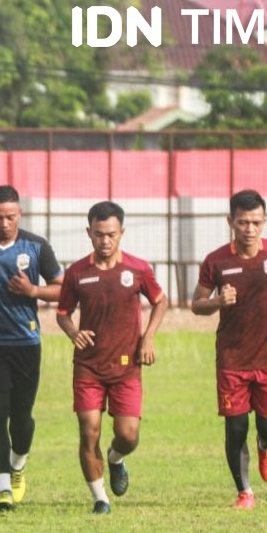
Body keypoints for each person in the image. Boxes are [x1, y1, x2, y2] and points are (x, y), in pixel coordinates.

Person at [191, 189, 267, 510]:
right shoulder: (216, 261)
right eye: (243, 222)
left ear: (265, 221)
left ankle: (265, 445)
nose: (250, 229)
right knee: (235, 426)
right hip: (231, 358)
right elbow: (197, 304)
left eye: (256, 222)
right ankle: (244, 492)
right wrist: (217, 301)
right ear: (230, 222)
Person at [56, 201, 167, 515]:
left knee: (128, 435)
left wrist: (148, 337)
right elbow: (63, 314)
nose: (105, 241)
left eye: (111, 235)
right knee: (88, 428)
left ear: (122, 233)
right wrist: (73, 332)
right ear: (89, 232)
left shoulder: (138, 269)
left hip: (126, 368)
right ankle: (100, 498)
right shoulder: (77, 273)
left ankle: (116, 459)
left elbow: (161, 302)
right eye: (99, 234)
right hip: (88, 367)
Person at [0, 185, 63, 512]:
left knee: (21, 419)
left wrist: (32, 290)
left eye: (10, 217)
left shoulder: (36, 246)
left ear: (19, 214)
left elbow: (62, 290)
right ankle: (3, 490)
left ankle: (18, 464)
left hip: (26, 343)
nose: (4, 223)